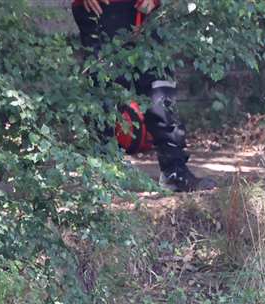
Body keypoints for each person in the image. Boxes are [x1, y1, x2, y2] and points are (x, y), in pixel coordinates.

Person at [73, 0, 217, 192]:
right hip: (99, 7)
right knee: (103, 87)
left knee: (160, 82)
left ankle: (174, 172)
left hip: (144, 10)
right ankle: (102, 177)